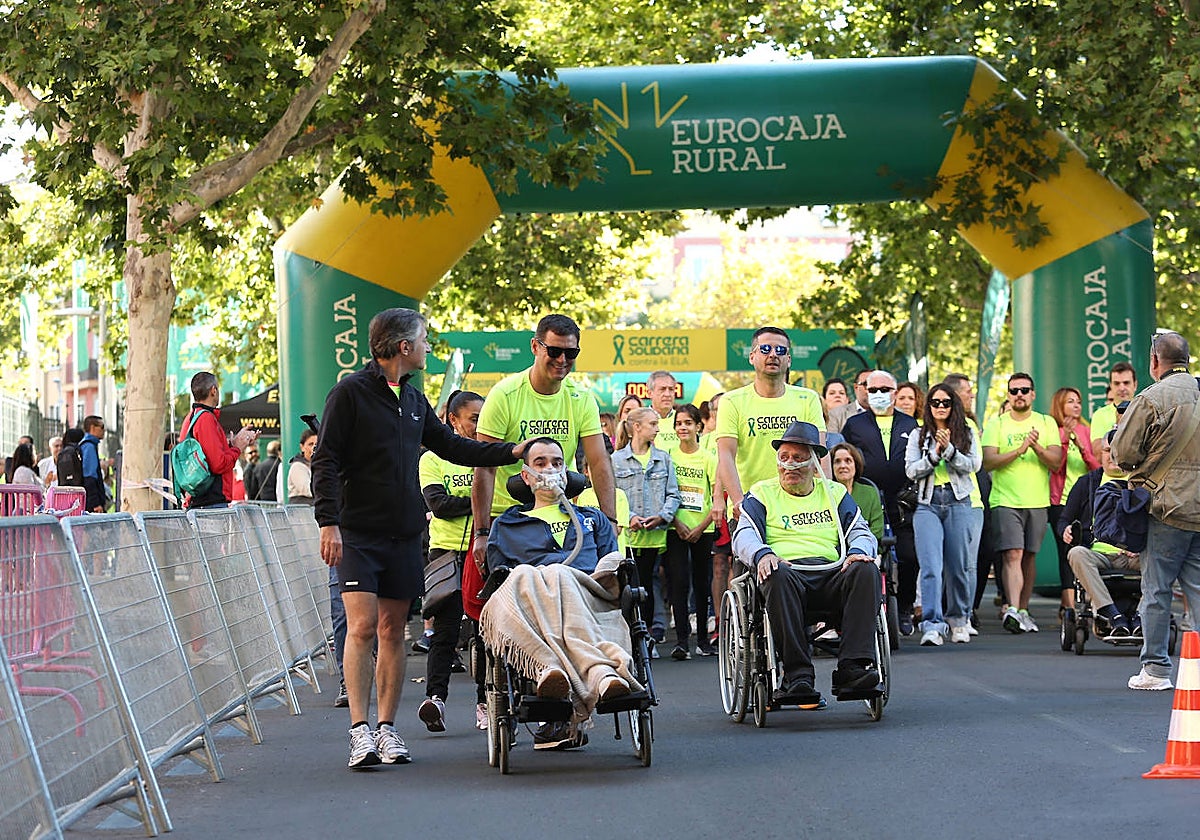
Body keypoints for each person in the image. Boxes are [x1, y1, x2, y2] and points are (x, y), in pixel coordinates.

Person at [311, 307, 525, 769]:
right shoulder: (348, 393)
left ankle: (387, 730)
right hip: (358, 533)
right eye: (425, 340)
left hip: (406, 533)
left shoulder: (413, 398)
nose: (429, 348)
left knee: (392, 630)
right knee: (362, 626)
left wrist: (511, 450)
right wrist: (328, 523)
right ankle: (359, 731)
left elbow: (453, 446)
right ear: (404, 346)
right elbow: (324, 460)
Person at [481, 437, 640, 749]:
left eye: (556, 462)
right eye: (540, 463)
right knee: (528, 572)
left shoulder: (592, 519)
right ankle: (596, 674)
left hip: (586, 596)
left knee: (558, 571)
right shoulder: (506, 524)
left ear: (567, 473)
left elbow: (611, 567)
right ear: (526, 476)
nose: (549, 469)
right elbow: (499, 577)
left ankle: (558, 670)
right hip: (531, 605)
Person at [732, 421, 881, 707]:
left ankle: (853, 669)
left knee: (866, 568)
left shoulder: (834, 493)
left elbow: (861, 531)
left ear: (815, 464)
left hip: (831, 573)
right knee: (776, 573)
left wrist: (859, 550)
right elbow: (744, 535)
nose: (789, 465)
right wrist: (763, 554)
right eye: (784, 457)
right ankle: (797, 675)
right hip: (787, 574)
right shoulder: (762, 493)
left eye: (798, 458)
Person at [471, 314, 617, 575]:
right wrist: (482, 532)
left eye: (571, 353)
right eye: (555, 351)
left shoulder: (581, 397)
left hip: (561, 514)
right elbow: (485, 466)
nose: (562, 360)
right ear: (535, 347)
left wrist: (610, 520)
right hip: (509, 519)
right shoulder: (504, 394)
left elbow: (598, 462)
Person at [1111, 331, 1200, 691]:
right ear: (1188, 360)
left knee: (1157, 590)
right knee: (1197, 590)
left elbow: (1123, 455)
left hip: (1167, 507)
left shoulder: (1151, 398)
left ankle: (1156, 669)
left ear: (1154, 363)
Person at [417, 390, 488, 733]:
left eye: (483, 417)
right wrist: (478, 500)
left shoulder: (489, 454)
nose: (479, 424)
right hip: (445, 553)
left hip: (485, 550)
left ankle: (487, 702)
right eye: (474, 418)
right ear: (453, 421)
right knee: (444, 632)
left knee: (486, 631)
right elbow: (438, 504)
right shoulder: (432, 459)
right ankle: (435, 699)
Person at [981, 372, 1063, 634]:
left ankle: (1024, 610)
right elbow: (988, 461)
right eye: (1014, 390)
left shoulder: (1046, 422)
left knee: (1029, 556)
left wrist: (1036, 447)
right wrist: (1019, 449)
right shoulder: (997, 424)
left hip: (1037, 500)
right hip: (1005, 499)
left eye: (1024, 390)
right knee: (1012, 553)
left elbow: (1056, 461)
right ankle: (1013, 608)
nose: (1019, 395)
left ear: (1033, 394)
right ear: (1008, 394)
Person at [715, 325, 824, 519]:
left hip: (800, 506)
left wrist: (826, 498)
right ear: (752, 357)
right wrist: (739, 501)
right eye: (765, 349)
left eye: (780, 350)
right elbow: (725, 455)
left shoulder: (808, 399)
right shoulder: (731, 401)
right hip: (750, 505)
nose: (773, 354)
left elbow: (820, 453)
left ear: (788, 360)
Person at [842, 370, 920, 636]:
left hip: (903, 501)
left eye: (884, 389)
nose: (878, 394)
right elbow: (845, 458)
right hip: (867, 500)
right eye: (872, 389)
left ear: (895, 393)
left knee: (910, 556)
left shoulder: (910, 424)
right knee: (865, 556)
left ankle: (905, 608)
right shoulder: (855, 424)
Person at [904, 383, 983, 646]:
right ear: (928, 407)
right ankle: (932, 624)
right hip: (927, 503)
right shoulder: (918, 434)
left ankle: (959, 619)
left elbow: (974, 465)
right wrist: (935, 454)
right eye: (935, 403)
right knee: (930, 568)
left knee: (958, 566)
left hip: (958, 501)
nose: (940, 407)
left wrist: (949, 450)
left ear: (954, 406)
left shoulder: (967, 431)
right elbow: (911, 471)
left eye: (945, 403)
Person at [612, 407, 680, 656]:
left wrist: (662, 515)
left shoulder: (664, 458)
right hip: (627, 537)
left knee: (648, 589)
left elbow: (674, 493)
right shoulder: (616, 460)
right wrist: (629, 517)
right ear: (636, 427)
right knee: (628, 587)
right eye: (652, 424)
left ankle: (647, 637)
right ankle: (629, 637)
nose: (658, 428)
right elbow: (611, 495)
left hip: (655, 536)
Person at [1061, 436, 1140, 637]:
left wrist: (1140, 544)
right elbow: (1064, 519)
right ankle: (1111, 614)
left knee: (1160, 558)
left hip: (1135, 555)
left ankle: (1141, 613)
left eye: (1116, 450)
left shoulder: (1141, 482)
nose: (1112, 456)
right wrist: (1066, 530)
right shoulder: (1087, 483)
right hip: (1099, 554)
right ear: (1100, 454)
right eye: (1107, 450)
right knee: (1077, 553)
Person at [665, 404, 722, 659]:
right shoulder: (668, 456)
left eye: (688, 423)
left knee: (701, 583)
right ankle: (681, 642)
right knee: (678, 582)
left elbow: (716, 495)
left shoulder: (709, 458)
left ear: (699, 426)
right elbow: (664, 493)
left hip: (703, 528)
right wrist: (677, 522)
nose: (683, 428)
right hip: (675, 527)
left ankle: (703, 640)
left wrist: (701, 527)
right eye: (679, 423)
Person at [1049, 387, 1099, 613]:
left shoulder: (1087, 431)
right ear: (1060, 406)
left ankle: (1088, 598)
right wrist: (1065, 441)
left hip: (1085, 501)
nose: (1076, 406)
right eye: (1070, 402)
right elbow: (1055, 466)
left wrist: (1080, 445)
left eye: (1078, 401)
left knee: (1085, 549)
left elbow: (1096, 467)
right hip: (1060, 500)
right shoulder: (1053, 431)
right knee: (1065, 551)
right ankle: (1067, 604)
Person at [176, 376, 259, 510]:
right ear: (213, 390)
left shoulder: (191, 418)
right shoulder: (206, 419)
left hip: (199, 500)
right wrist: (237, 448)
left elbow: (210, 458)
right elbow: (218, 464)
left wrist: (232, 445)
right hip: (210, 502)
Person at [829, 442, 885, 544]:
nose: (842, 466)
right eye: (837, 461)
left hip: (866, 549)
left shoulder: (870, 492)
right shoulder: (826, 493)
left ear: (856, 464)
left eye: (848, 461)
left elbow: (877, 529)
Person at [1090, 361, 1137, 451]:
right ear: (1111, 386)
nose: (1122, 388)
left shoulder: (1146, 411)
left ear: (1135, 385)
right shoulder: (1099, 415)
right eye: (1117, 383)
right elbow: (1098, 454)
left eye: (1126, 383)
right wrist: (1117, 427)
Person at [827, 369, 871, 434]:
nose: (871, 388)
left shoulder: (888, 413)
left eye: (841, 393)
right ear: (856, 387)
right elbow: (833, 442)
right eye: (866, 384)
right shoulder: (834, 415)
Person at [80, 416, 109, 513]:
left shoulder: (88, 445)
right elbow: (89, 477)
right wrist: (95, 504)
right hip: (92, 505)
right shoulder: (89, 447)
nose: (104, 430)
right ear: (92, 427)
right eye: (102, 427)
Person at [646, 371, 680, 451]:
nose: (667, 394)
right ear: (650, 393)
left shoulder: (683, 419)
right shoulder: (640, 421)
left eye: (671, 389)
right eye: (662, 389)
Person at [281, 428, 316, 504]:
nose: (314, 448)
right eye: (310, 444)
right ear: (302, 447)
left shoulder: (316, 465)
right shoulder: (297, 466)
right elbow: (307, 490)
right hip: (301, 511)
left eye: (317, 444)